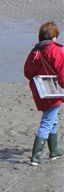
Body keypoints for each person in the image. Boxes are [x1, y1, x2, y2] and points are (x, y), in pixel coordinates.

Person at [23, 21, 64, 166]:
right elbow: (62, 72)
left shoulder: (35, 50)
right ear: (53, 36)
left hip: (40, 89)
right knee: (48, 120)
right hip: (53, 90)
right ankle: (36, 156)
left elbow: (27, 72)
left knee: (52, 118)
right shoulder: (56, 50)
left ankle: (54, 151)